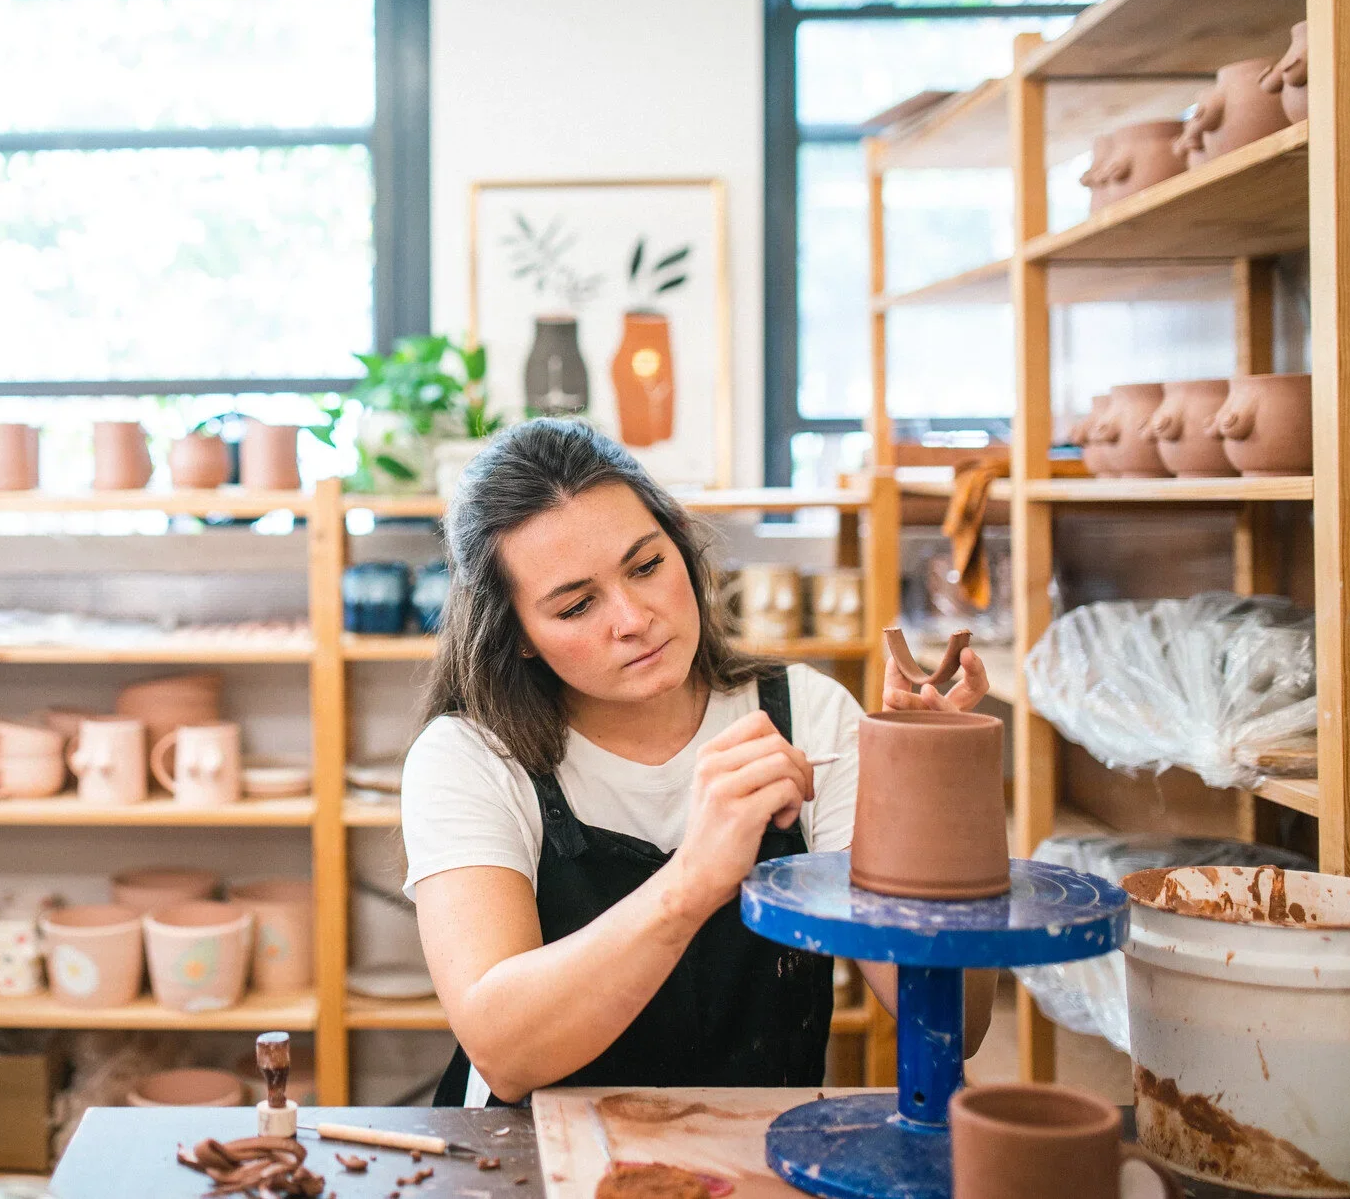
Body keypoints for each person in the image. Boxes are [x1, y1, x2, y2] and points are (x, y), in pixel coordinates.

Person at [401, 419, 995, 1106]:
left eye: (647, 566)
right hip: (528, 1159)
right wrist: (694, 881)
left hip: (760, 1152)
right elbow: (504, 1053)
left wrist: (933, 793)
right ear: (521, 637)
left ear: (682, 550)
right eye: (576, 605)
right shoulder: (471, 757)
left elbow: (955, 1020)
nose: (633, 617)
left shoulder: (805, 714)